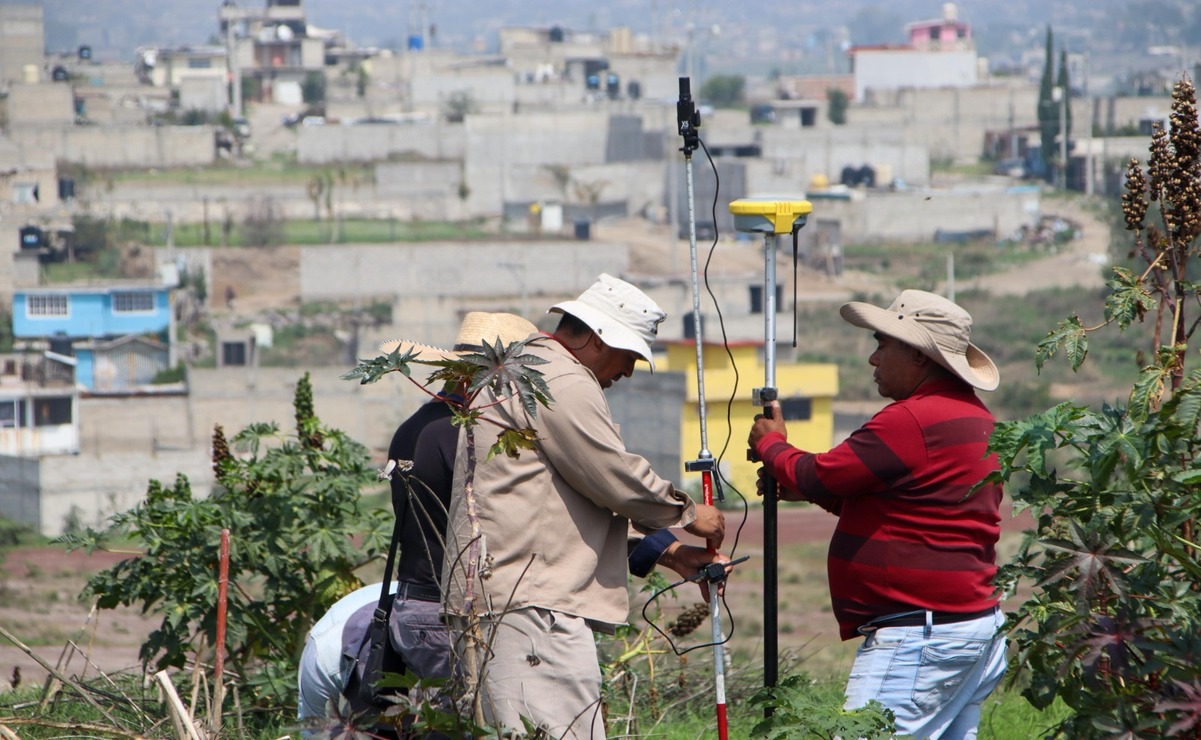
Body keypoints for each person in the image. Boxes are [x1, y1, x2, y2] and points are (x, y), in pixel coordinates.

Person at [441, 274, 728, 739]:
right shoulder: (560, 379)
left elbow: (564, 499)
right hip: (532, 608)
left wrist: (670, 553)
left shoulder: (527, 369)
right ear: (597, 339)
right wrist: (689, 513)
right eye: (630, 356)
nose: (629, 372)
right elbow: (611, 474)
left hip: (506, 600)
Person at [748, 289, 1007, 740]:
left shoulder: (910, 421)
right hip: (970, 629)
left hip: (920, 637)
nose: (873, 359)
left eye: (882, 345)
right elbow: (909, 507)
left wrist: (771, 444)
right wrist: (806, 490)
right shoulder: (975, 418)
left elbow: (822, 475)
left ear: (918, 356)